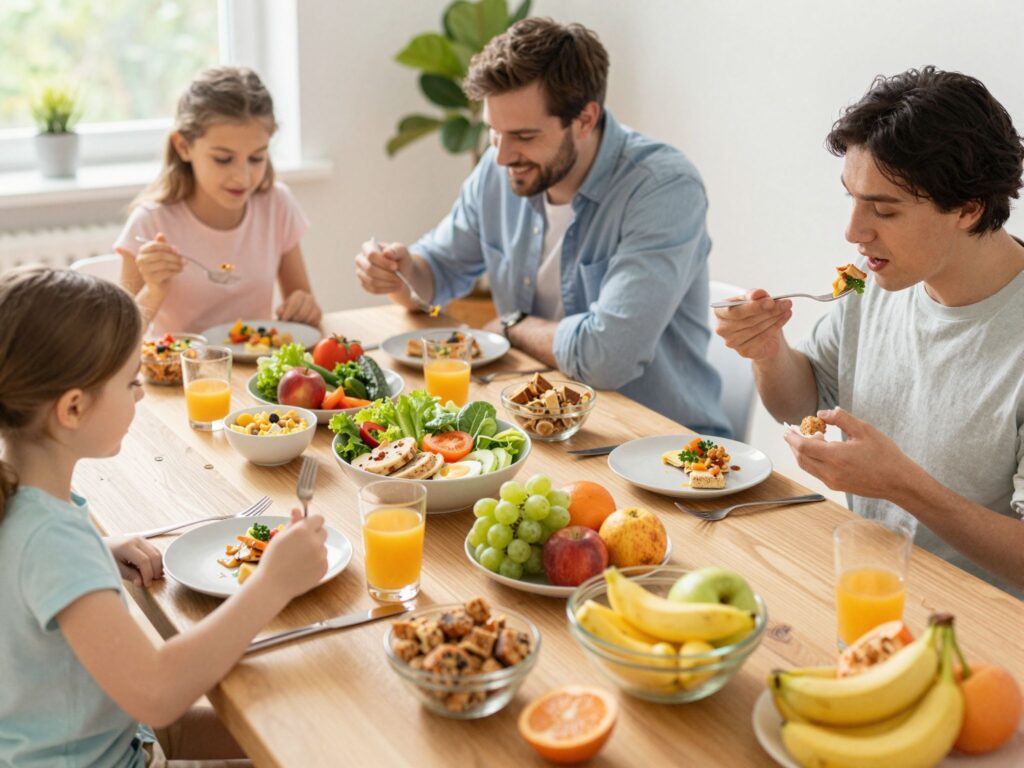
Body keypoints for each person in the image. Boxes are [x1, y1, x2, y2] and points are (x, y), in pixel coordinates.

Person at [0, 267, 328, 766]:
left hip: (116, 737)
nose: (140, 393)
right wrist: (273, 583)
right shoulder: (52, 541)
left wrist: (97, 556)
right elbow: (156, 692)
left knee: (304, 723)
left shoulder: (27, 509)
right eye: (131, 381)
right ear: (71, 408)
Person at [714, 67, 1024, 595]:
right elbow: (803, 404)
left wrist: (900, 485)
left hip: (979, 626)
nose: (854, 232)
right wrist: (769, 351)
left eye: (883, 209)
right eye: (852, 198)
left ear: (969, 210)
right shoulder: (871, 284)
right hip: (866, 582)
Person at [355, 18, 731, 437]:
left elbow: (608, 357)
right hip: (545, 430)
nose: (501, 157)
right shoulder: (501, 170)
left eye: (524, 136)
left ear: (585, 119)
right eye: (493, 133)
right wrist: (398, 270)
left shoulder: (662, 188)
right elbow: (431, 279)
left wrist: (513, 324)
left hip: (661, 447)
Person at [116, 66, 322, 334]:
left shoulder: (276, 204)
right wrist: (154, 290)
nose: (243, 177)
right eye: (223, 159)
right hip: (182, 373)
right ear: (183, 147)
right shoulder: (150, 222)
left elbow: (304, 309)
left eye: (257, 157)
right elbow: (118, 341)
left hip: (254, 370)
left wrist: (304, 308)